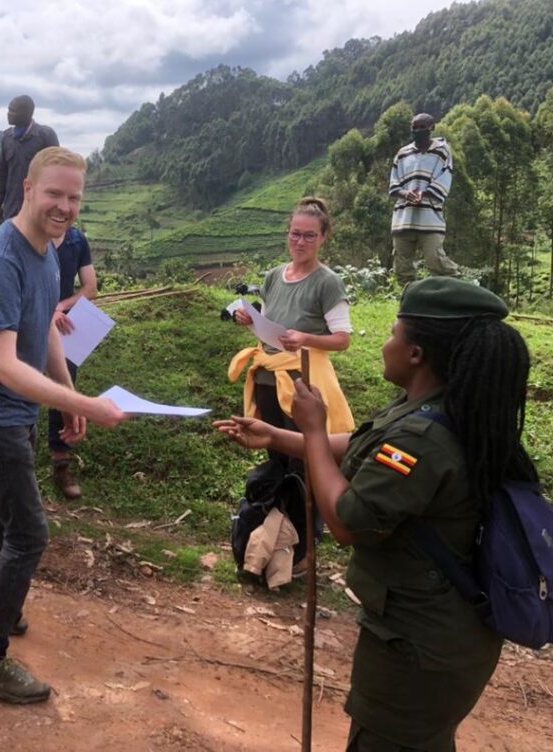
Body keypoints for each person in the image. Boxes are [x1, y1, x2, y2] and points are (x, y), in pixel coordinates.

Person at [215, 277, 535, 751]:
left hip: (417, 650)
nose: (385, 343)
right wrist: (281, 436)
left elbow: (347, 520)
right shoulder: (433, 410)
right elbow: (361, 449)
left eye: (392, 332)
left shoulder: (422, 439)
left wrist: (313, 426)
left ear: (416, 354)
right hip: (444, 638)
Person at [0, 147, 126, 704]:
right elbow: (3, 365)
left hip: (17, 409)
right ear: (27, 189)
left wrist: (69, 396)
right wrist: (94, 406)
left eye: (74, 197)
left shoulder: (49, 249)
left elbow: (48, 326)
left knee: (7, 507)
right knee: (30, 533)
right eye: (54, 193)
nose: (65, 206)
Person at [229, 197, 356, 472]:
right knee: (276, 456)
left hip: (303, 384)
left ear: (323, 237)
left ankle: (305, 513)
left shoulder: (328, 282)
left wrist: (305, 339)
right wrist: (248, 319)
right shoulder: (274, 276)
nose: (300, 242)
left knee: (304, 458)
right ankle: (278, 511)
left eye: (309, 236)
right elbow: (267, 318)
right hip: (267, 378)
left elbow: (342, 339)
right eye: (295, 234)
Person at [48, 224, 98, 499]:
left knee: (64, 389)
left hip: (63, 325)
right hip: (26, 322)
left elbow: (90, 288)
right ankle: (12, 460)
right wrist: (46, 310)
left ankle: (61, 463)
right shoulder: (31, 237)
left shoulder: (77, 240)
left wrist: (60, 306)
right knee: (20, 386)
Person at [389, 112, 458, 285]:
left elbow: (445, 176)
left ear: (431, 128)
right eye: (415, 127)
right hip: (404, 218)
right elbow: (394, 183)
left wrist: (424, 194)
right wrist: (406, 194)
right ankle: (409, 301)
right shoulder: (402, 154)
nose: (418, 130)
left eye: (422, 127)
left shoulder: (442, 150)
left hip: (430, 217)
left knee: (436, 259)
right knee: (402, 266)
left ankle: (453, 297)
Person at [0, 95, 59, 223]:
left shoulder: (45, 136)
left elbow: (57, 171)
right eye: (9, 110)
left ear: (25, 113)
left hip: (38, 210)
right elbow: (2, 172)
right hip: (12, 210)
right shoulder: (7, 138)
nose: (8, 114)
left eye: (12, 110)